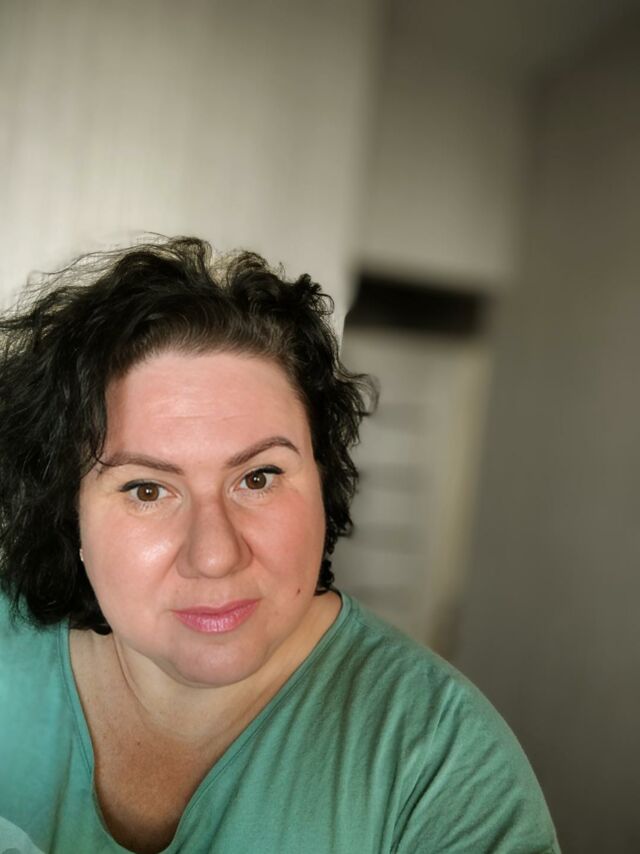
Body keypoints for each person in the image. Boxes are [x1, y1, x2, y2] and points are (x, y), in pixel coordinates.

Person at [0, 237, 560, 854]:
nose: (215, 555)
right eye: (147, 489)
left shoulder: (443, 768)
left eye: (258, 478)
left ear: (323, 482)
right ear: (67, 511)